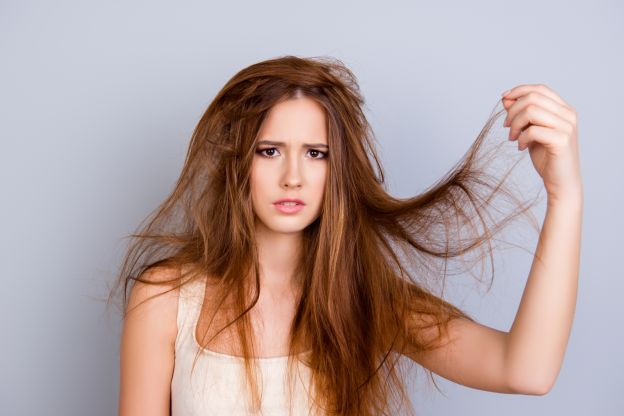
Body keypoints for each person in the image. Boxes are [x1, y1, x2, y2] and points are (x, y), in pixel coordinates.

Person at [112, 55, 583, 415]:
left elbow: (525, 370)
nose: (293, 176)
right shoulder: (166, 299)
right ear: (236, 160)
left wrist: (565, 195)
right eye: (270, 150)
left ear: (337, 169)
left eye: (316, 153)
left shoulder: (367, 299)